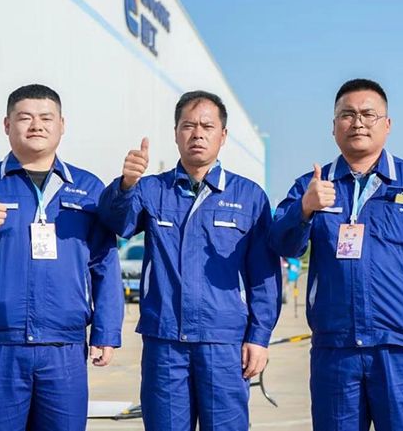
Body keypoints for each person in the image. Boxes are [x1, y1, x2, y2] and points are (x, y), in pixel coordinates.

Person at [0, 84, 123, 430]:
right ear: (7, 125)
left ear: (62, 125)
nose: (36, 125)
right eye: (25, 118)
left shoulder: (88, 189)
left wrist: (106, 331)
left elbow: (104, 263)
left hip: (64, 349)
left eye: (46, 117)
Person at [269, 78, 403, 430]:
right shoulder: (312, 186)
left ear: (387, 125)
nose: (358, 122)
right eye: (347, 115)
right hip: (335, 349)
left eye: (368, 114)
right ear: (334, 127)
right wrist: (305, 209)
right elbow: (282, 245)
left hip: (400, 347)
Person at [98, 90, 282, 430]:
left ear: (223, 135)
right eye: (188, 126)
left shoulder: (249, 196)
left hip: (224, 342)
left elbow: (264, 276)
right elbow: (115, 223)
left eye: (207, 127)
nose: (197, 134)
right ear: (176, 133)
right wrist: (125, 185)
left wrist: (259, 337)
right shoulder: (151, 190)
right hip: (165, 340)